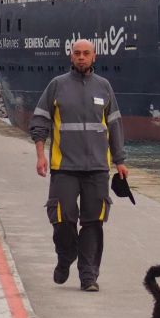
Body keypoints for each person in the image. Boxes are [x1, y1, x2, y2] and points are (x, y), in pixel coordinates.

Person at [31, 38, 128, 292]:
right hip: (64, 167)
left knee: (93, 223)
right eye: (77, 53)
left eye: (86, 53)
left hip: (97, 168)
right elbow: (40, 121)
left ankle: (88, 276)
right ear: (71, 56)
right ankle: (65, 257)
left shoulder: (104, 87)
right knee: (62, 219)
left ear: (94, 57)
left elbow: (115, 124)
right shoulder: (57, 86)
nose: (82, 57)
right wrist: (40, 154)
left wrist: (120, 161)